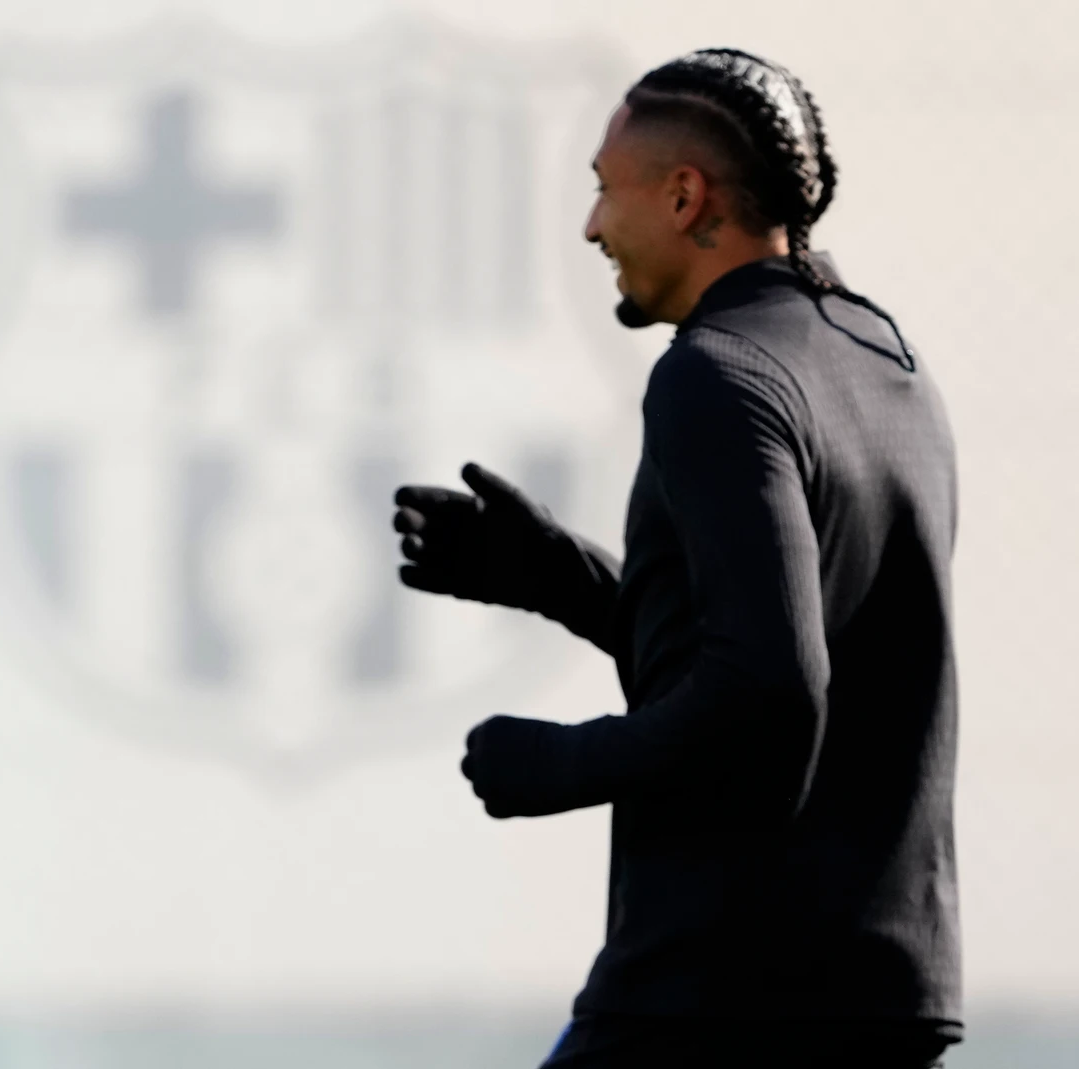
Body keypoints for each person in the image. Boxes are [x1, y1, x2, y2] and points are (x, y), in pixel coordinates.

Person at [393, 49, 958, 1069]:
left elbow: (771, 700)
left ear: (684, 194)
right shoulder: (887, 364)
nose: (592, 226)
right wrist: (564, 579)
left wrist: (557, 763)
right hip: (883, 999)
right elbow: (799, 645)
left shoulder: (714, 375)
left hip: (714, 997)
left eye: (606, 190)